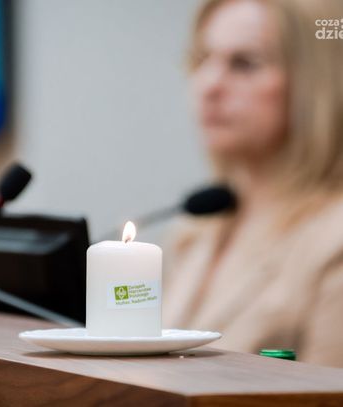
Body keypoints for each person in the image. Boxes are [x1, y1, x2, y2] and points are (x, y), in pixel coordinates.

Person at [162, 0, 343, 367]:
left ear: (315, 81)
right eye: (202, 59)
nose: (209, 85)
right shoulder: (194, 230)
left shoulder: (333, 242)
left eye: (244, 63)